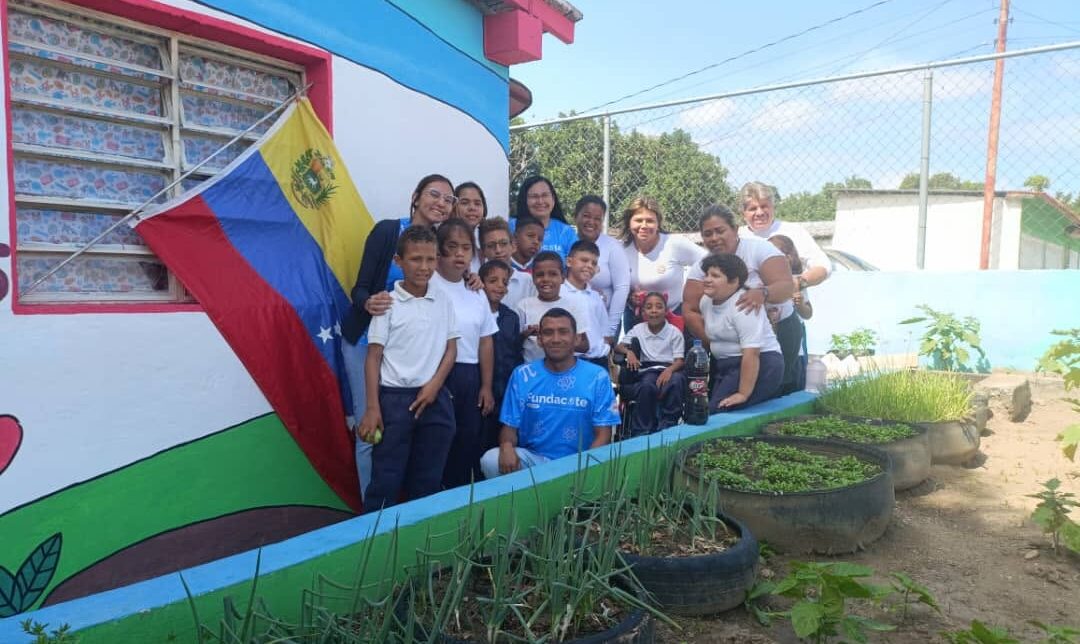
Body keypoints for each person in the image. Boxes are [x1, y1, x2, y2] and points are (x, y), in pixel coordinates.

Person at [341, 173, 455, 498]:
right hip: (368, 342)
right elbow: (359, 286)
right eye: (435, 194)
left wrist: (473, 279)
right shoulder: (388, 231)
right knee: (371, 427)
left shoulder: (441, 244)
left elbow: (451, 285)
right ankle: (369, 513)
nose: (441, 203)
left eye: (449, 199)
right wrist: (368, 300)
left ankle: (404, 511)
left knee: (406, 438)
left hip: (408, 352)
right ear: (416, 196)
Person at [358, 225, 458, 512]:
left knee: (428, 479)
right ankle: (375, 541)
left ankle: (421, 545)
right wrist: (373, 408)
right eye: (415, 259)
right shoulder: (387, 304)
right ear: (398, 261)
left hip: (434, 397)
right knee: (386, 478)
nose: (424, 267)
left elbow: (451, 350)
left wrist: (434, 386)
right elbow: (373, 357)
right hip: (394, 400)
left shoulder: (443, 300)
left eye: (430, 259)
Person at [479, 308, 619, 479]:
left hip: (580, 463)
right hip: (535, 463)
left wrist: (585, 471)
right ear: (539, 340)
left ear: (577, 339)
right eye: (548, 333)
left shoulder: (597, 376)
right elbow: (509, 429)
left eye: (563, 332)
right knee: (491, 460)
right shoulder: (522, 375)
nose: (555, 339)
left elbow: (603, 435)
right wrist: (506, 446)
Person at [681, 205, 798, 394]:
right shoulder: (702, 266)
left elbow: (786, 286)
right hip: (732, 352)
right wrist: (713, 340)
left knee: (779, 395)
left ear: (735, 229)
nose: (714, 238)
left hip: (777, 334)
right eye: (708, 234)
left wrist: (763, 293)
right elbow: (690, 309)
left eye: (720, 231)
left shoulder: (759, 249)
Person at [738, 182, 830, 386]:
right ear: (743, 212)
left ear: (773, 206)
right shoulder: (738, 237)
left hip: (788, 323)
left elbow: (824, 266)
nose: (759, 212)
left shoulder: (792, 231)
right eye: (752, 208)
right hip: (749, 325)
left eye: (764, 206)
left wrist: (799, 282)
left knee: (787, 382)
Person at [430, 219, 497, 489]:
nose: (459, 254)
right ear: (439, 251)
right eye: (452, 247)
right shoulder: (428, 284)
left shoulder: (475, 290)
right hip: (435, 374)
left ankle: (456, 497)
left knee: (466, 440)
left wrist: (486, 386)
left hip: (469, 374)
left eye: (466, 248)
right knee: (437, 440)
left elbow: (486, 341)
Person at [699, 253, 784, 411]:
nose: (707, 279)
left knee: (718, 411)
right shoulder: (705, 301)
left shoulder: (744, 305)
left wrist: (742, 393)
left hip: (760, 364)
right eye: (706, 274)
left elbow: (752, 353)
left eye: (715, 276)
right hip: (727, 366)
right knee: (712, 410)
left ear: (734, 281)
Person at [620, 195, 706, 327]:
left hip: (673, 316)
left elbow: (709, 261)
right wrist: (631, 297)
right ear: (629, 222)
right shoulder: (621, 250)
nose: (644, 225)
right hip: (636, 318)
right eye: (638, 220)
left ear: (658, 223)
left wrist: (694, 291)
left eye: (649, 221)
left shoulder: (674, 244)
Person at [614, 292, 686, 435]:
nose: (654, 310)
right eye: (649, 307)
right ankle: (642, 429)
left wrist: (669, 370)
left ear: (666, 311)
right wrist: (629, 352)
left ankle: (668, 425)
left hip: (670, 368)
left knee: (677, 381)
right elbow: (618, 347)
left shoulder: (674, 332)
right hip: (647, 370)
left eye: (659, 307)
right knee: (647, 385)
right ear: (643, 312)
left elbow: (680, 361)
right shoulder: (638, 329)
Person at [514, 251, 590, 363]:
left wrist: (560, 336)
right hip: (533, 372)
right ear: (533, 278)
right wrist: (527, 334)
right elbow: (513, 343)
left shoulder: (573, 307)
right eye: (540, 275)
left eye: (553, 274)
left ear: (563, 277)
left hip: (564, 372)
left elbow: (584, 346)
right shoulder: (523, 306)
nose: (546, 279)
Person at [479, 259, 524, 448]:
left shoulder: (511, 317)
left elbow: (514, 353)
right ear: (480, 282)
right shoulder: (474, 313)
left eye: (504, 282)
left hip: (505, 391)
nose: (499, 286)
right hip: (479, 390)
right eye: (492, 281)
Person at [574, 195, 629, 340]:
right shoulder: (568, 242)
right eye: (586, 216)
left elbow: (622, 288)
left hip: (602, 322)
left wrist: (610, 329)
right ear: (576, 217)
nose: (591, 222)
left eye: (598, 219)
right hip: (571, 320)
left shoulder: (612, 247)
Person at [562, 240, 611, 368]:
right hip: (570, 360)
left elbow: (604, 332)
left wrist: (604, 349)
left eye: (594, 263)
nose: (589, 265)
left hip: (597, 360)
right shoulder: (559, 293)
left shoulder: (596, 297)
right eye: (584, 260)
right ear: (569, 262)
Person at [513, 176, 579, 259]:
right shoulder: (511, 227)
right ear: (524, 200)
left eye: (545, 195)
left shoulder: (566, 232)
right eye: (534, 196)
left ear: (553, 199)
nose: (540, 201)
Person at [479, 217, 536, 309]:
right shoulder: (478, 283)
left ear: (513, 246)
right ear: (483, 252)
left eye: (503, 243)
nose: (498, 250)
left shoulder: (528, 282)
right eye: (491, 246)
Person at [769, 235, 813, 321]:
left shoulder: (795, 281)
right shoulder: (762, 281)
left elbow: (808, 314)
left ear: (788, 258)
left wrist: (800, 304)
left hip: (794, 330)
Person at [454, 181, 487, 273]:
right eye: (464, 203)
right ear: (453, 206)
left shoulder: (487, 240)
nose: (472, 208)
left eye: (477, 203)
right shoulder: (441, 238)